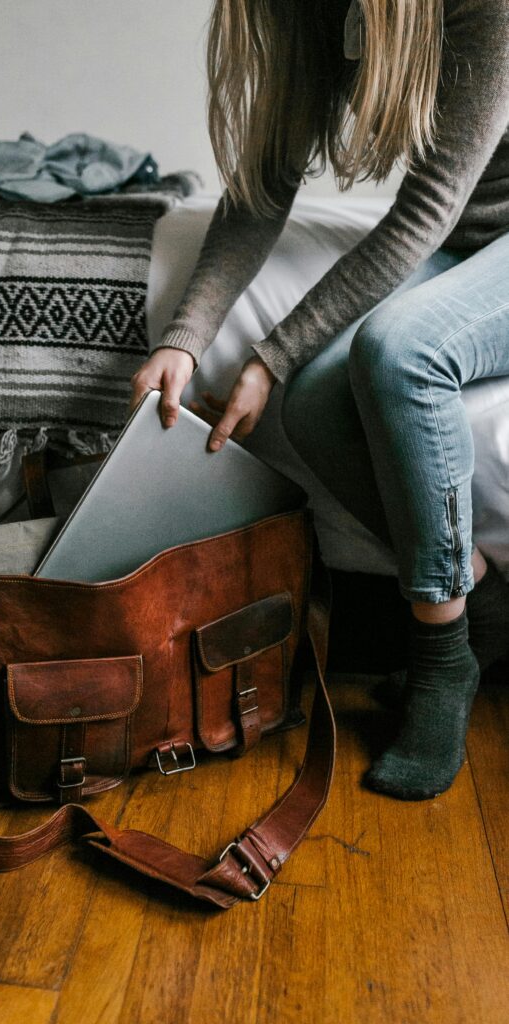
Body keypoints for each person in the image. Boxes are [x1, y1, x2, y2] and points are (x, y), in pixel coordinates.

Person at [128, 0, 509, 800]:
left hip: (464, 229)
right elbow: (262, 187)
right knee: (310, 408)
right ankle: (480, 595)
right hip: (477, 241)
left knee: (401, 352)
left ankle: (442, 658)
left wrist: (272, 351)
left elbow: (428, 206)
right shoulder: (314, 13)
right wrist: (185, 336)